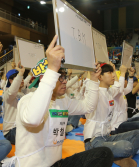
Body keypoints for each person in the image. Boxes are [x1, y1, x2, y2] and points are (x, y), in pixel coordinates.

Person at [12, 35, 114, 167]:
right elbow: (33, 119)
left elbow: (88, 107)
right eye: (60, 77)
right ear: (46, 77)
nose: (65, 81)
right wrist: (52, 69)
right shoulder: (27, 100)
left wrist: (94, 79)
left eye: (65, 76)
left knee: (104, 154)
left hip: (56, 164)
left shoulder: (63, 101)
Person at [84, 63, 139, 167]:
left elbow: (118, 86)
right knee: (127, 146)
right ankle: (118, 156)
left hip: (107, 137)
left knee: (138, 134)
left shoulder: (109, 91)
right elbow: (88, 85)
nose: (113, 75)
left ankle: (118, 158)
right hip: (94, 141)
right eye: (109, 72)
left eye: (113, 72)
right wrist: (92, 70)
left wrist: (115, 69)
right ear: (100, 76)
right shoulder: (94, 92)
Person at [3, 61, 32, 145]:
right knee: (35, 138)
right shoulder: (8, 95)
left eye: (22, 78)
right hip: (11, 130)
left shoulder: (24, 92)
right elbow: (12, 91)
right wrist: (21, 73)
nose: (22, 80)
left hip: (23, 126)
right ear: (11, 81)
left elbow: (26, 80)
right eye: (18, 78)